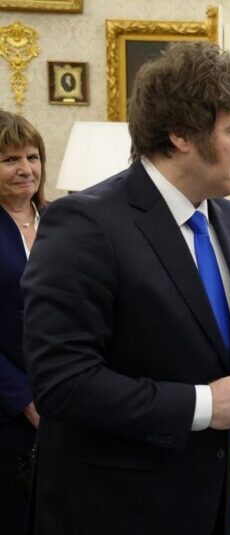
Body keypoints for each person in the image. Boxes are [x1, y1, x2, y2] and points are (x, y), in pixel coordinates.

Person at [22, 42, 230, 535]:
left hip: (210, 500)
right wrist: (206, 405)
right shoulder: (85, 224)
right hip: (114, 508)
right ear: (180, 133)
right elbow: (61, 383)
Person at [0, 111, 46, 535]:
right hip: (8, 403)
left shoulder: (62, 220)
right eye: (10, 159)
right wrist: (22, 397)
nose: (25, 169)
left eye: (32, 156)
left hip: (68, 393)